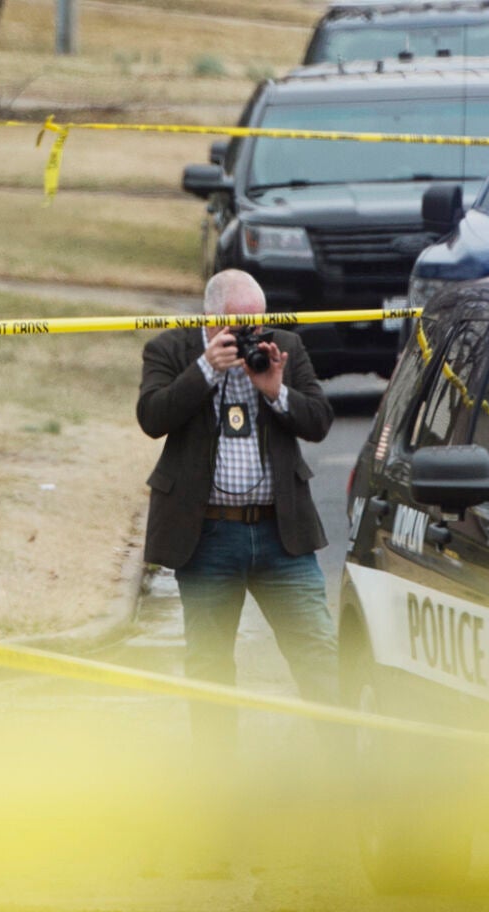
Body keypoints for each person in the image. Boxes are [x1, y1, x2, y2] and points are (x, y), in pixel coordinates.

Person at [136, 269, 338, 871]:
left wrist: (275, 389)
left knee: (320, 656)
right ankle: (220, 814)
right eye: (238, 325)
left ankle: (348, 790)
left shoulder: (285, 349)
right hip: (209, 536)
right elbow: (152, 416)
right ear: (210, 320)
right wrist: (206, 369)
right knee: (210, 676)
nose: (252, 334)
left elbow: (320, 420)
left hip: (281, 534)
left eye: (259, 321)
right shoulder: (171, 349)